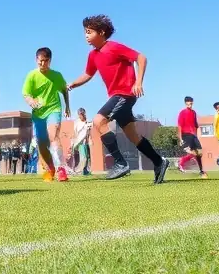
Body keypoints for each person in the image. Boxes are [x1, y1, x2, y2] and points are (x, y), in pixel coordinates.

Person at [67, 14, 169, 184]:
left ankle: (120, 163)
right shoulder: (93, 55)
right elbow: (87, 74)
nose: (86, 35)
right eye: (85, 32)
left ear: (101, 32)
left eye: (89, 32)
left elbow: (141, 58)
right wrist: (73, 84)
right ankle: (159, 162)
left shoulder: (114, 47)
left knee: (99, 121)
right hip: (117, 96)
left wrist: (138, 82)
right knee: (133, 136)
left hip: (125, 94)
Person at [22, 47, 71, 182]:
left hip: (53, 109)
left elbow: (64, 90)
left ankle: (61, 169)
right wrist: (31, 101)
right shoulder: (32, 75)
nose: (42, 64)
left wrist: (67, 106)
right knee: (42, 144)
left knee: (53, 135)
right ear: (36, 60)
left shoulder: (57, 76)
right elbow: (26, 94)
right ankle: (50, 169)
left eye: (45, 61)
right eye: (40, 61)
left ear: (50, 60)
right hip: (38, 114)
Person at [176, 97, 206, 177]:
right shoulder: (182, 112)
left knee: (199, 153)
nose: (190, 104)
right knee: (190, 151)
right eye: (188, 103)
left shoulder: (194, 112)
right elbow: (179, 126)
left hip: (193, 136)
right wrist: (180, 138)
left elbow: (196, 125)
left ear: (192, 103)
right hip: (186, 135)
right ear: (185, 103)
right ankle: (182, 162)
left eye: (191, 102)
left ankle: (200, 170)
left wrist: (197, 136)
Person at [72, 108, 92, 175]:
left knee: (86, 157)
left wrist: (88, 140)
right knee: (78, 157)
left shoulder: (88, 121)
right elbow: (75, 133)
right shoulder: (77, 122)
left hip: (85, 142)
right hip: (78, 142)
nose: (81, 115)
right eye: (79, 114)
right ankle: (76, 170)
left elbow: (88, 132)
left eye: (82, 114)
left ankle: (85, 170)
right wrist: (74, 142)